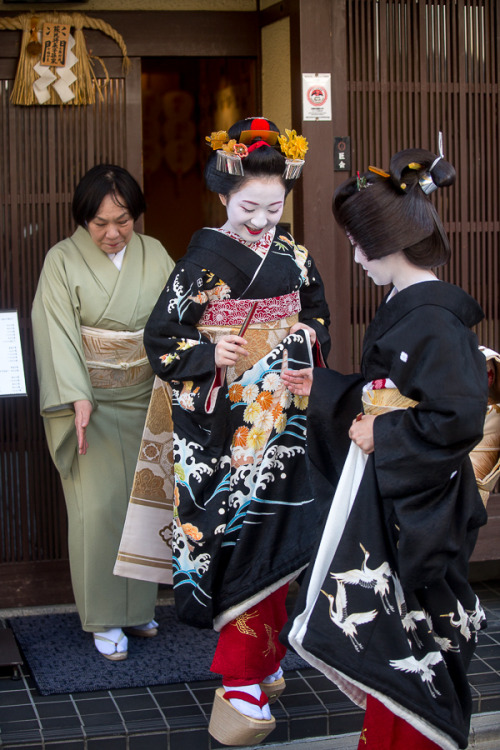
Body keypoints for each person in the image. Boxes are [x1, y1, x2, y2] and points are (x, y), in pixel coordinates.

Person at [281, 149, 489, 750]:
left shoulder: (435, 321)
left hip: (421, 506)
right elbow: (383, 397)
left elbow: (457, 416)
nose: (353, 256)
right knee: (392, 639)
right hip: (400, 494)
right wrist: (323, 390)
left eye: (354, 244)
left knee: (412, 641)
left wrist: (388, 433)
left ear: (381, 242)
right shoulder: (410, 307)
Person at [141, 116, 331, 745]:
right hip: (222, 430)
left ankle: (266, 662)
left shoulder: (294, 257)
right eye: (249, 207)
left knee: (282, 532)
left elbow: (319, 315)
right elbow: (161, 340)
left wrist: (306, 335)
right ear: (223, 196)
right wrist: (207, 353)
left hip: (282, 421)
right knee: (241, 539)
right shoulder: (200, 263)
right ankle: (241, 678)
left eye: (273, 208)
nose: (261, 221)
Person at [32, 164, 175, 661]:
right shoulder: (62, 261)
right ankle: (104, 615)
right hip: (88, 403)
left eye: (123, 220)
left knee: (145, 504)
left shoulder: (154, 252)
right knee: (97, 510)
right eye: (100, 223)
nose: (113, 233)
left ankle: (138, 607)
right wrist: (76, 396)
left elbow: (175, 319)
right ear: (82, 220)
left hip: (146, 397)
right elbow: (55, 332)